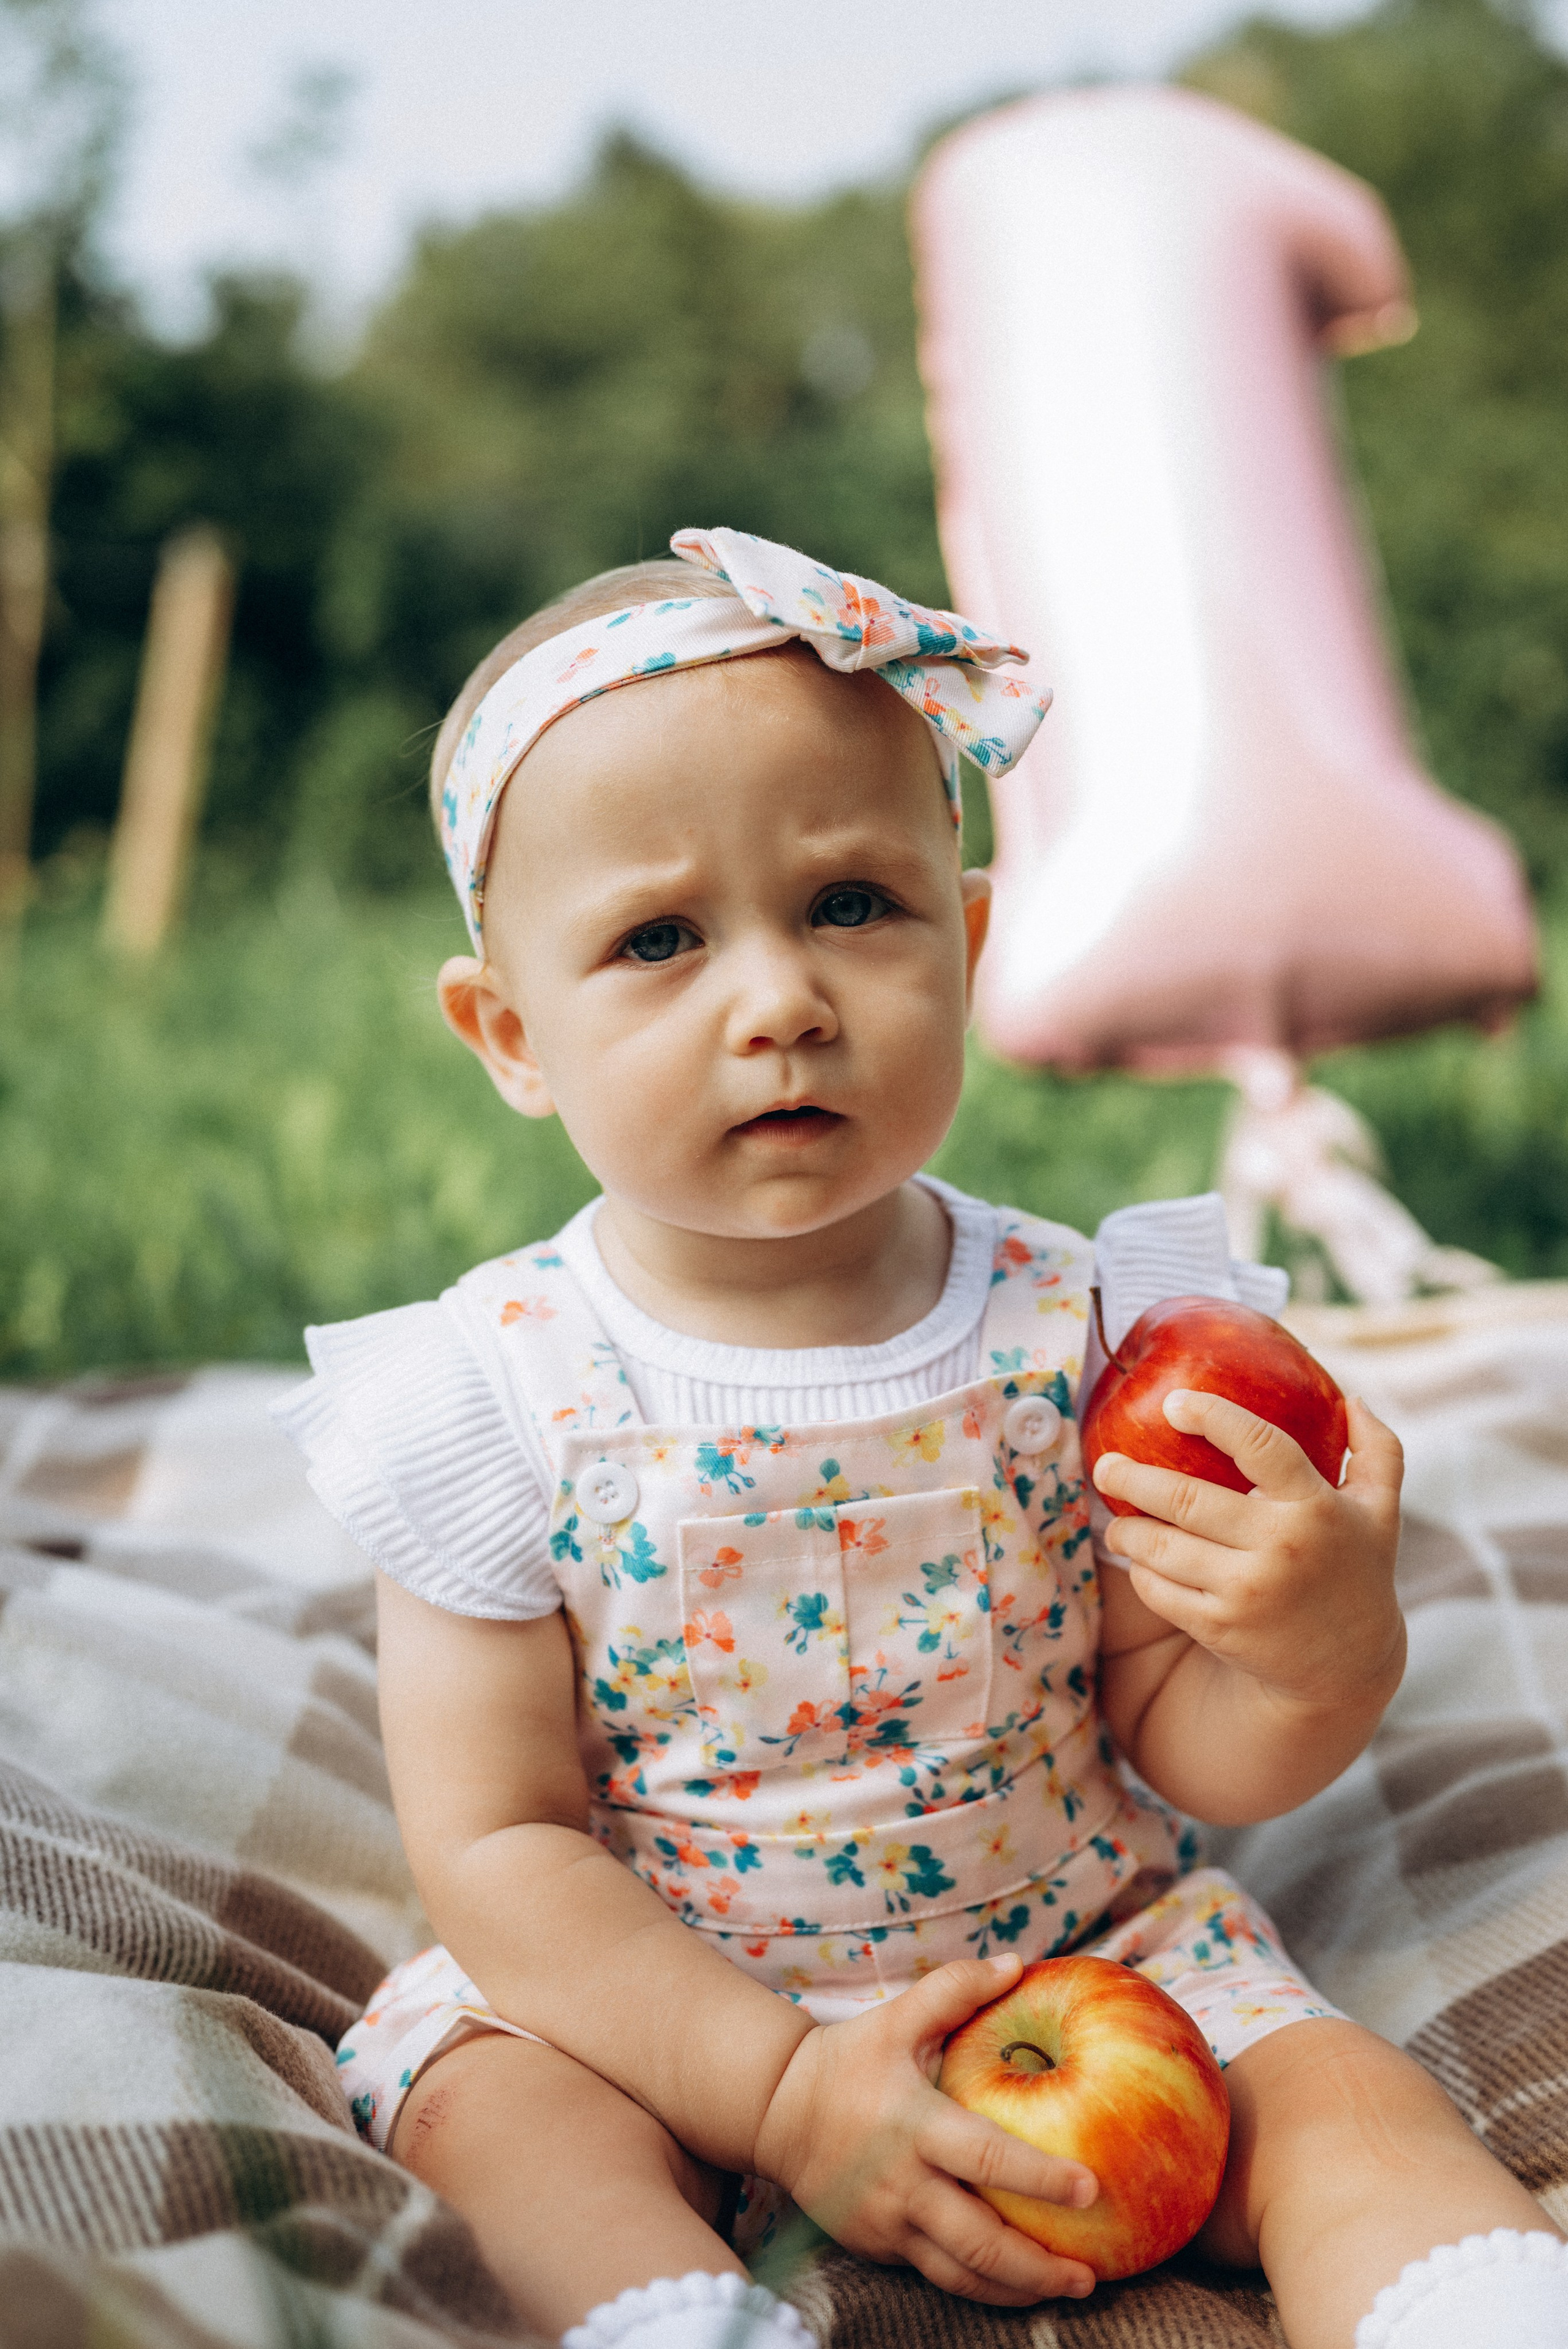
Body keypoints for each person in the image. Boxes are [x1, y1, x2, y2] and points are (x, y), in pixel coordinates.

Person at [279, 529, 1566, 2349]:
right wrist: (778, 2089)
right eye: (659, 939)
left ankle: (1474, 2309)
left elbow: (1176, 1733)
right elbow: (500, 1847)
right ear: (512, 1035)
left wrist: (1321, 1651)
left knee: (1341, 2099)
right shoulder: (490, 1393)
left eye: (850, 904)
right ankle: (672, 2322)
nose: (781, 1001)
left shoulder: (1094, 1331)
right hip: (658, 1998)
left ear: (964, 940)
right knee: (507, 2124)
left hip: (1074, 1960)